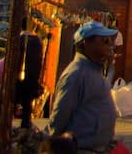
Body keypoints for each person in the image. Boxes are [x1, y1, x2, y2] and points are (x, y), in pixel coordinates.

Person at [46, 21, 119, 153]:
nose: (110, 44)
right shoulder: (76, 74)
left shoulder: (94, 70)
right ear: (86, 43)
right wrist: (51, 143)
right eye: (104, 40)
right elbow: (60, 115)